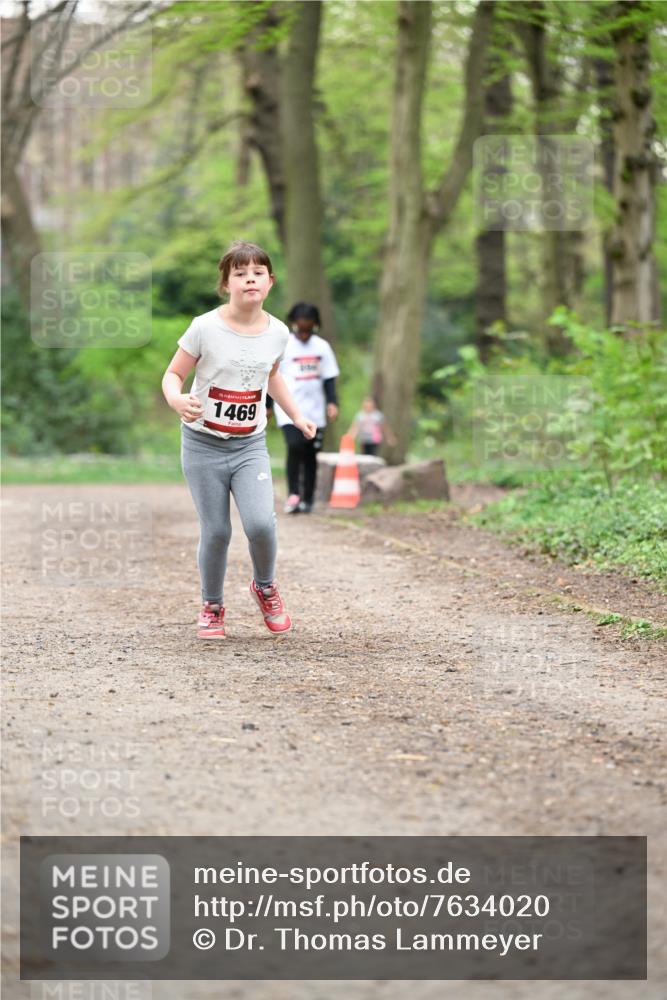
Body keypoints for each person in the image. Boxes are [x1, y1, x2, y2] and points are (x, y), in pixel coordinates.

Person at [161, 240, 317, 640]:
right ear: (226, 283)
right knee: (216, 531)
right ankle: (212, 606)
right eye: (240, 273)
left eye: (258, 273)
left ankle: (265, 587)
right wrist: (178, 400)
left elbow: (273, 375)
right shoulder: (204, 327)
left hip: (249, 445)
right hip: (203, 444)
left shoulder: (278, 332)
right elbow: (173, 375)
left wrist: (297, 415)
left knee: (262, 523)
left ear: (270, 282)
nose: (250, 279)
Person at [270, 302, 340, 514]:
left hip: (315, 410)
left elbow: (329, 378)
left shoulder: (321, 347)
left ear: (315, 326)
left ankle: (308, 498)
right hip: (288, 407)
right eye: (300, 328)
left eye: (309, 329)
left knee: (311, 454)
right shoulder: (284, 345)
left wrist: (332, 402)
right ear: (293, 324)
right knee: (294, 446)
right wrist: (266, 404)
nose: (304, 334)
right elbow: (270, 376)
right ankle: (294, 494)